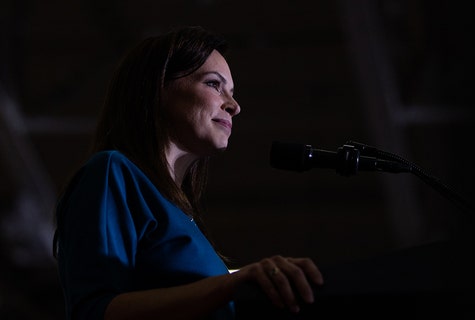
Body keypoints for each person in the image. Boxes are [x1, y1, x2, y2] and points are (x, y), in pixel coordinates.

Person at [52, 25, 324, 320]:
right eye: (213, 84)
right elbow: (93, 312)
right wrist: (230, 285)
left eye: (231, 92)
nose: (234, 106)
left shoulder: (182, 215)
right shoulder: (113, 172)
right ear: (157, 87)